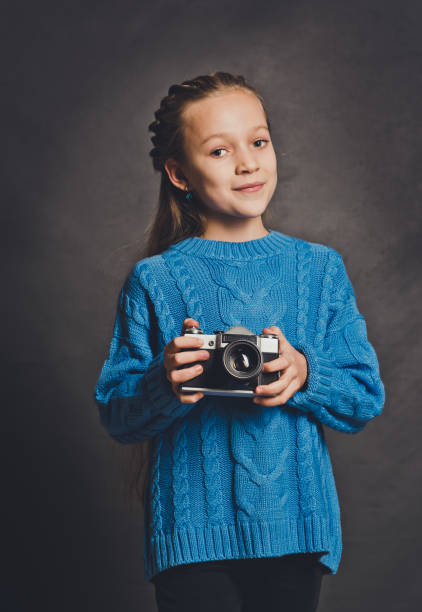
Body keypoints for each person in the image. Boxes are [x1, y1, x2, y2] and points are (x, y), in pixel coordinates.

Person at [93, 71, 385, 612]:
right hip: (190, 537)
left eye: (258, 141)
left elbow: (364, 396)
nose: (248, 163)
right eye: (220, 150)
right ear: (179, 173)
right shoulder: (155, 280)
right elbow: (116, 412)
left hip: (296, 530)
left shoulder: (319, 270)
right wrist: (164, 382)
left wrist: (304, 372)